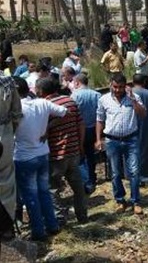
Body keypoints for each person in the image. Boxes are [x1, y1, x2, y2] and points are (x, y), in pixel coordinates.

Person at [13, 77, 67, 241]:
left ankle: (38, 231)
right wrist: (47, 129)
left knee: (31, 197)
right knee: (44, 192)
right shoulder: (42, 103)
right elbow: (64, 111)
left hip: (24, 157)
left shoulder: (16, 109)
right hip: (43, 153)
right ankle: (52, 225)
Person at [96, 74, 146, 214]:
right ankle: (120, 200)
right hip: (112, 140)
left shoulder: (134, 97)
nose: (118, 90)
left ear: (126, 86)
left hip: (131, 139)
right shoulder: (103, 100)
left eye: (121, 87)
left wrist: (133, 100)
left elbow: (143, 114)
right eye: (115, 87)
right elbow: (99, 119)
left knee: (134, 171)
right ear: (111, 85)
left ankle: (135, 201)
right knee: (115, 173)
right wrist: (98, 139)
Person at [41, 78, 88, 225]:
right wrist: (80, 146)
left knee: (53, 189)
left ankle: (60, 218)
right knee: (78, 187)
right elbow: (81, 125)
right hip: (73, 151)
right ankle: (82, 216)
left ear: (42, 91)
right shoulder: (70, 101)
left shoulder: (46, 106)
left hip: (56, 155)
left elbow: (43, 131)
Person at [0, 76, 22, 238]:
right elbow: (17, 113)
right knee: (6, 182)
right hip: (4, 133)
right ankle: (6, 227)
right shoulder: (7, 81)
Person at [71, 74, 101, 192]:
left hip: (80, 130)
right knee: (91, 154)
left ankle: (87, 181)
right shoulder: (96, 94)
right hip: (94, 128)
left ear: (77, 83)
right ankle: (92, 177)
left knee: (81, 155)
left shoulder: (74, 96)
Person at [132, 74, 148, 184]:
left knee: (133, 150)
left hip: (132, 124)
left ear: (133, 82)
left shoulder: (129, 93)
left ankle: (134, 175)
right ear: (144, 82)